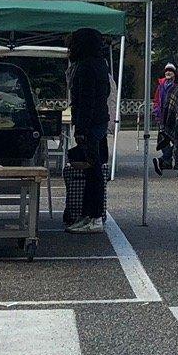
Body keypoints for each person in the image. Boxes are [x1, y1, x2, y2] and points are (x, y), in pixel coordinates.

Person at [66, 26, 111, 233]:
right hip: (100, 122)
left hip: (90, 124)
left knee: (92, 173)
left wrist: (81, 129)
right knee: (94, 171)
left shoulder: (84, 67)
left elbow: (85, 101)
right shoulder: (101, 65)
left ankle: (94, 217)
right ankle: (89, 215)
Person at [153, 62, 177, 173]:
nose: (168, 72)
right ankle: (166, 161)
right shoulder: (161, 86)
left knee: (177, 140)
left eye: (170, 71)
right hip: (163, 117)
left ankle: (164, 159)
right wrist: (157, 112)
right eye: (167, 70)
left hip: (174, 117)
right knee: (163, 140)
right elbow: (156, 100)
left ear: (174, 73)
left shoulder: (176, 86)